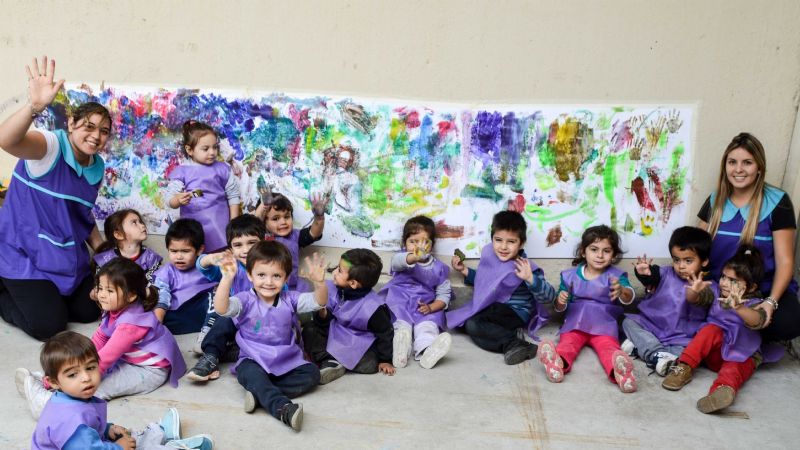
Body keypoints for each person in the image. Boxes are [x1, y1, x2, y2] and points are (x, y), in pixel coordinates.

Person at [0, 56, 108, 340]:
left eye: (104, 131)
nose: (96, 136)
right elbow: (6, 140)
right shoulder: (50, 147)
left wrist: (105, 252)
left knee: (89, 310)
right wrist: (34, 108)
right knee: (49, 325)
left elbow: (81, 215)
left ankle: (44, 297)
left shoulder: (97, 168)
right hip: (23, 253)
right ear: (71, 124)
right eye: (89, 126)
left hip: (63, 254)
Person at [15, 259, 186, 419]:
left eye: (109, 290)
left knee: (96, 387)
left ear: (131, 295)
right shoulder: (116, 309)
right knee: (85, 375)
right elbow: (98, 340)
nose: (102, 295)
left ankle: (46, 405)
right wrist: (70, 366)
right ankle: (55, 379)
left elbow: (105, 358)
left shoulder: (130, 325)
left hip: (149, 371)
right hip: (128, 359)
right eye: (100, 288)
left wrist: (80, 375)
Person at [18, 331, 212, 449]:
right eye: (72, 374)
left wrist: (108, 428)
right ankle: (169, 446)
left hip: (88, 443)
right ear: (52, 382)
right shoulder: (71, 423)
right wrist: (118, 448)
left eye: (91, 368)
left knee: (127, 436)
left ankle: (158, 435)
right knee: (129, 445)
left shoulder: (70, 398)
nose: (86, 377)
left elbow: (89, 426)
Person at [214, 241, 328, 432]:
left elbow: (318, 302)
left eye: (276, 276)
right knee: (249, 373)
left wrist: (319, 283)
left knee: (312, 375)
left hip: (286, 360)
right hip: (253, 359)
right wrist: (226, 279)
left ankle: (260, 394)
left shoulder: (290, 299)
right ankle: (282, 408)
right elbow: (221, 308)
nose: (268, 282)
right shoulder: (245, 300)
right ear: (250, 275)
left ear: (285, 278)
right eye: (261, 275)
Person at [698, 132, 799, 342]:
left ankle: (734, 335)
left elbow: (785, 260)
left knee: (788, 323)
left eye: (747, 162)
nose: (738, 169)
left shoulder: (778, 201)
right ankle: (730, 333)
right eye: (732, 162)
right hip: (720, 287)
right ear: (725, 166)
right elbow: (696, 250)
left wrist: (770, 302)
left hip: (762, 290)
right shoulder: (715, 201)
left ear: (759, 167)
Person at [662, 246, 780, 414]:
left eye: (733, 280)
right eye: (724, 276)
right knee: (710, 329)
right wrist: (693, 292)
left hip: (741, 354)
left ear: (752, 287)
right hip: (715, 353)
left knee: (735, 368)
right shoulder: (716, 291)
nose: (724, 282)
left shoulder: (755, 303)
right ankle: (684, 367)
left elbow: (758, 320)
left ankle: (723, 390)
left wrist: (739, 308)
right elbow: (697, 300)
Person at [537, 225, 638, 393]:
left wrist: (622, 291)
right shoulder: (569, 276)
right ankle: (556, 364)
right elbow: (559, 307)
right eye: (594, 249)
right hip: (576, 323)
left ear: (613, 255)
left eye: (606, 251)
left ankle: (621, 373)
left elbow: (629, 297)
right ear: (583, 252)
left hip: (604, 326)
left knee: (609, 349)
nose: (599, 255)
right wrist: (560, 301)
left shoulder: (616, 277)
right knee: (567, 344)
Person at [447, 210, 555, 365]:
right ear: (492, 239)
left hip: (515, 312)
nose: (503, 247)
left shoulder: (523, 265)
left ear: (521, 243)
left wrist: (530, 278)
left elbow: (549, 297)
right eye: (498, 240)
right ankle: (508, 335)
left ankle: (516, 344)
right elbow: (486, 280)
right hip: (493, 308)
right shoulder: (490, 255)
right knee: (464, 323)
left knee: (473, 324)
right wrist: (463, 270)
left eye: (511, 242)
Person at [621, 226, 715, 375]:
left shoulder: (708, 286)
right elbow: (652, 277)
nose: (681, 266)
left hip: (681, 338)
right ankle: (655, 354)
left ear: (704, 261)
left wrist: (694, 292)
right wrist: (643, 273)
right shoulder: (666, 273)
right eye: (676, 260)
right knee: (628, 322)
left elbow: (698, 298)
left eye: (688, 261)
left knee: (689, 354)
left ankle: (641, 349)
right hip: (650, 326)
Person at [188, 214, 265, 380]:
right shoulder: (231, 267)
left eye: (252, 242)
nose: (245, 250)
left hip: (262, 323)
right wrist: (212, 258)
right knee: (223, 320)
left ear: (263, 243)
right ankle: (210, 357)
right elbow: (202, 266)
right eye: (238, 245)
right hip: (236, 319)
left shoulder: (271, 265)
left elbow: (284, 297)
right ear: (231, 249)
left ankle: (235, 351)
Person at [302, 248, 396, 384]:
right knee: (310, 329)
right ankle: (330, 361)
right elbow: (322, 323)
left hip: (357, 343)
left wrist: (385, 360)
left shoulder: (374, 307)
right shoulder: (331, 288)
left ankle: (333, 362)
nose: (334, 272)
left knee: (371, 364)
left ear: (353, 283)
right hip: (334, 333)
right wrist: (322, 314)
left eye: (339, 271)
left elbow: (385, 333)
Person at [379, 215, 452, 369]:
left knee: (427, 327)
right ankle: (400, 350)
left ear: (431, 246)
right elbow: (400, 262)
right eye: (413, 241)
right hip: (400, 302)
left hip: (425, 307)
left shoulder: (439, 268)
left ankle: (427, 351)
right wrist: (415, 257)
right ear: (404, 243)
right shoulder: (401, 258)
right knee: (400, 326)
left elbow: (444, 295)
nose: (418, 246)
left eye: (424, 242)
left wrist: (432, 307)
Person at [167, 120, 242, 253]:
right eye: (205, 149)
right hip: (193, 230)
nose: (212, 152)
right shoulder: (182, 171)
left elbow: (234, 196)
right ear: (189, 150)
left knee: (221, 262)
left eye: (215, 147)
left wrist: (234, 225)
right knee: (195, 259)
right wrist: (177, 200)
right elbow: (170, 201)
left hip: (220, 227)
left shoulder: (223, 169)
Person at [254, 189, 328, 292]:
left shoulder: (295, 236)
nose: (283, 222)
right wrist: (264, 206)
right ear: (264, 222)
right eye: (275, 219)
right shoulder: (260, 237)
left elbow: (314, 233)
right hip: (267, 288)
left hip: (291, 289)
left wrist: (319, 217)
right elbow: (253, 224)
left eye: (287, 217)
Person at [152, 219, 217, 334]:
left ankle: (209, 329)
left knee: (217, 296)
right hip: (178, 315)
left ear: (199, 250)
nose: (179, 256)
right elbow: (162, 300)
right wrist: (156, 326)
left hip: (205, 311)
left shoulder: (206, 264)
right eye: (173, 251)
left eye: (185, 251)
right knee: (151, 306)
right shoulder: (167, 271)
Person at [93, 209, 163, 283]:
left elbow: (155, 287)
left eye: (141, 222)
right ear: (119, 234)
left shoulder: (151, 258)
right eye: (134, 223)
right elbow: (100, 287)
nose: (142, 225)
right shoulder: (105, 260)